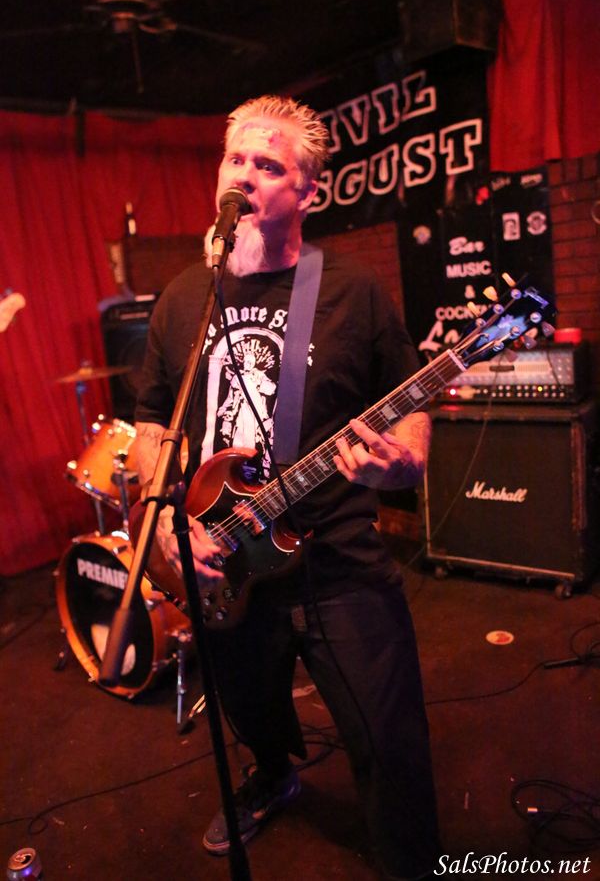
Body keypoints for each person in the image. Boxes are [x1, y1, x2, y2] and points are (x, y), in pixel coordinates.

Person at [134, 95, 440, 880]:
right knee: (249, 710)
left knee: (389, 737)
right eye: (235, 159)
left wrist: (402, 464)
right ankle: (273, 774)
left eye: (268, 165)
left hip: (337, 560)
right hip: (222, 559)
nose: (244, 176)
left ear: (309, 191)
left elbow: (411, 404)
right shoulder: (183, 297)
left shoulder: (351, 291)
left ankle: (410, 859)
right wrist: (164, 524)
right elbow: (151, 425)